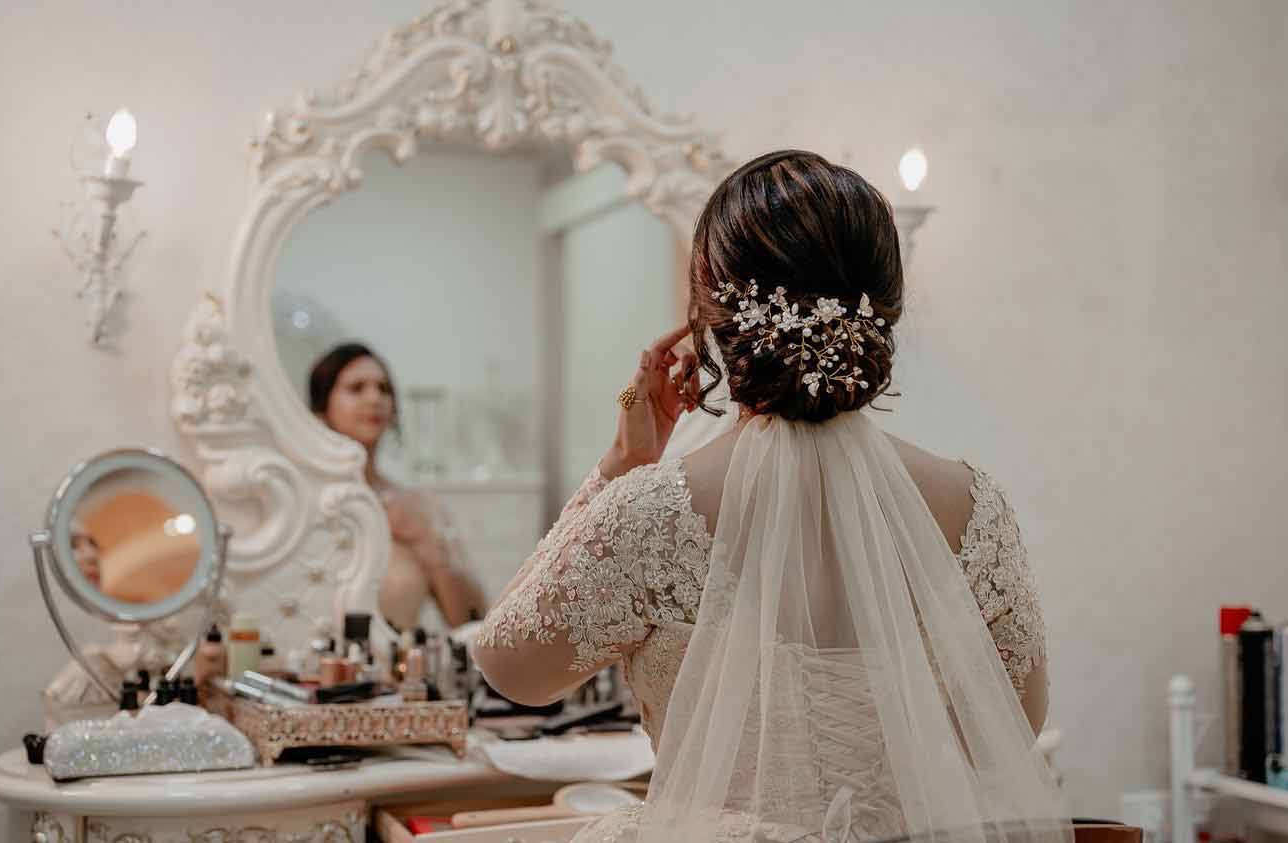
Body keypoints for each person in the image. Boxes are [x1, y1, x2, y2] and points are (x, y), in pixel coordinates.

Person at [474, 151, 1069, 843]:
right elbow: (1011, 725)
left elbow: (510, 668)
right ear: (883, 306)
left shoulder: (654, 511)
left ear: (707, 309)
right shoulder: (973, 505)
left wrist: (625, 461)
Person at [309, 343, 487, 630]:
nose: (374, 398)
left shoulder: (419, 506)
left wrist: (429, 544)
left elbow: (473, 623)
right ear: (322, 409)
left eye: (384, 389)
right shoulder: (302, 505)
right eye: (356, 388)